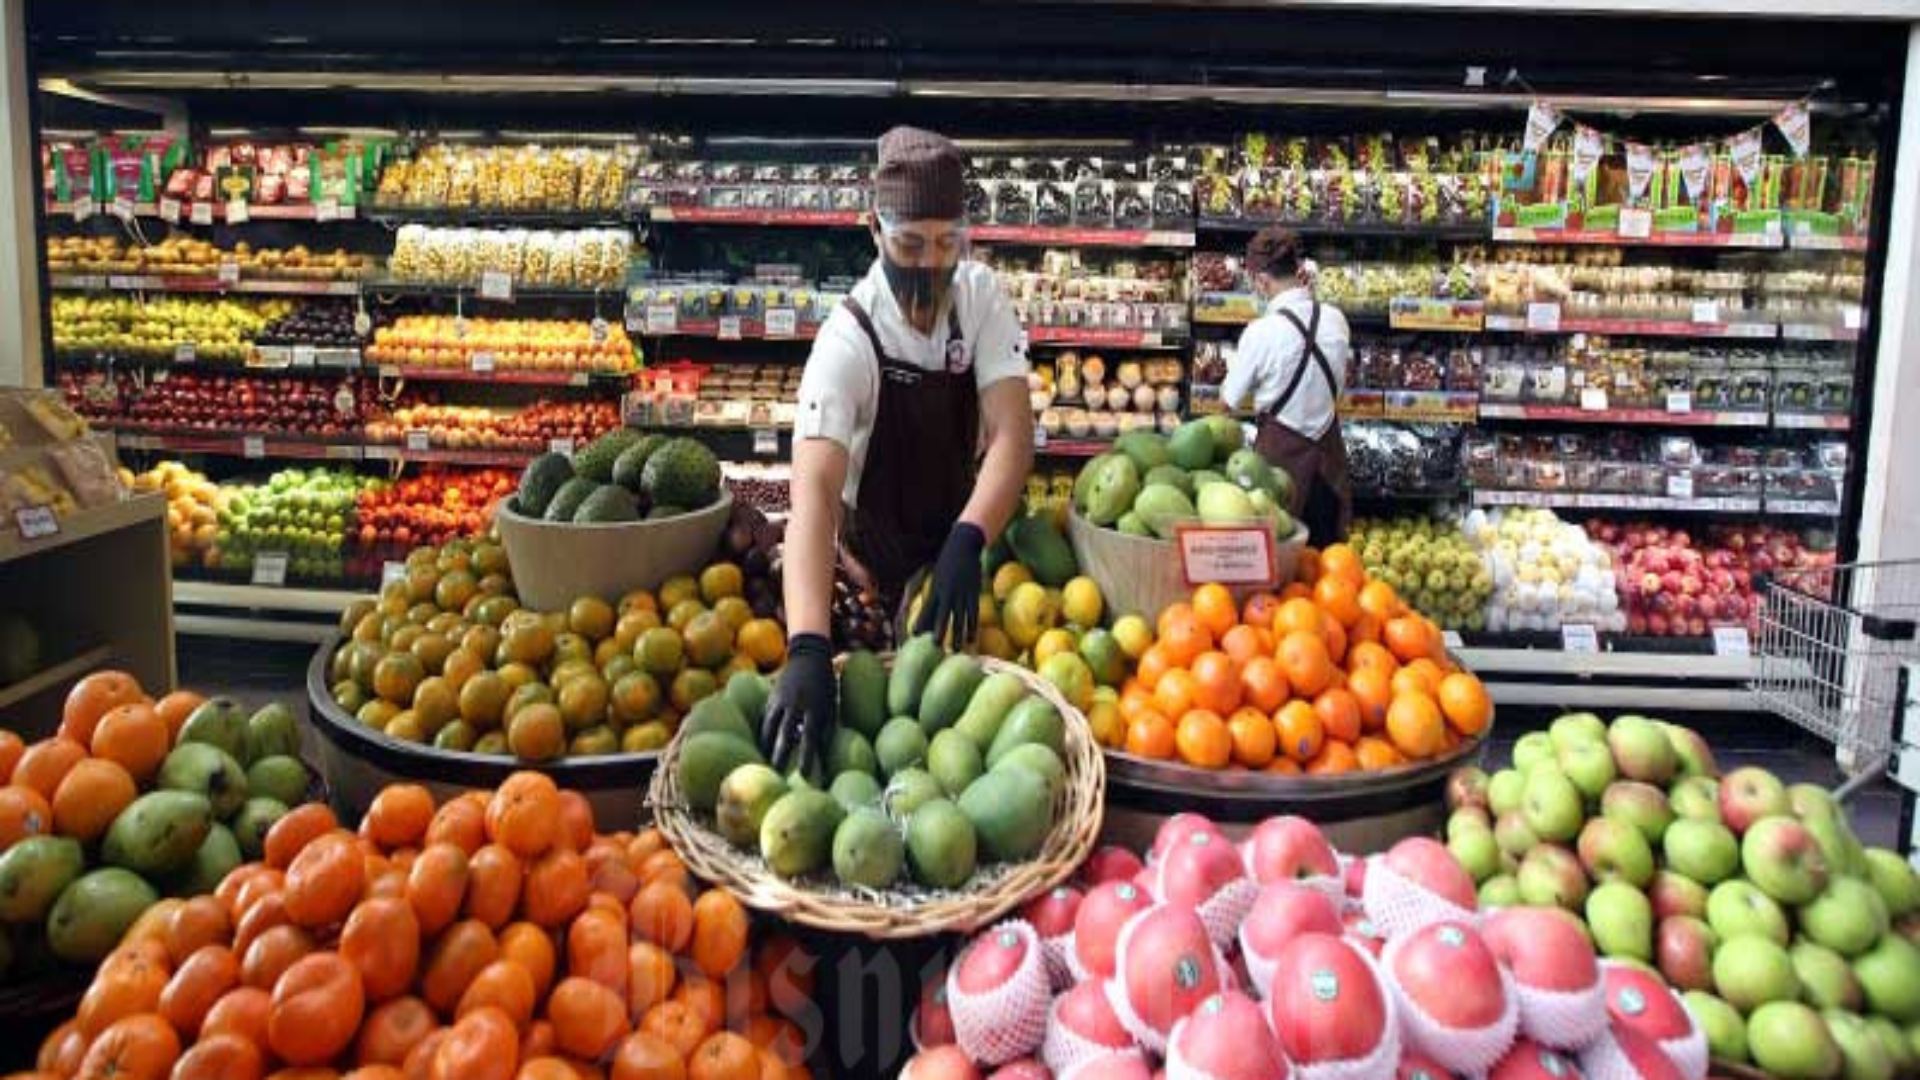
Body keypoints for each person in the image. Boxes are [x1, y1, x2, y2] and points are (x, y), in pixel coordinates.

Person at [762, 125, 1034, 777]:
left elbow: (1012, 432)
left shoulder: (978, 299)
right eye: (910, 244)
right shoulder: (849, 338)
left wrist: (970, 539)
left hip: (962, 557)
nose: (928, 264)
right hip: (873, 567)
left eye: (946, 244)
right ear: (874, 232)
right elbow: (816, 496)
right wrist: (805, 645)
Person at [1221, 226, 1354, 544]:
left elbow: (1227, 405)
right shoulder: (1337, 320)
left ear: (1262, 281)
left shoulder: (1260, 332)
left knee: (1278, 560)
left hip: (1276, 470)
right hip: (1329, 468)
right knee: (1324, 567)